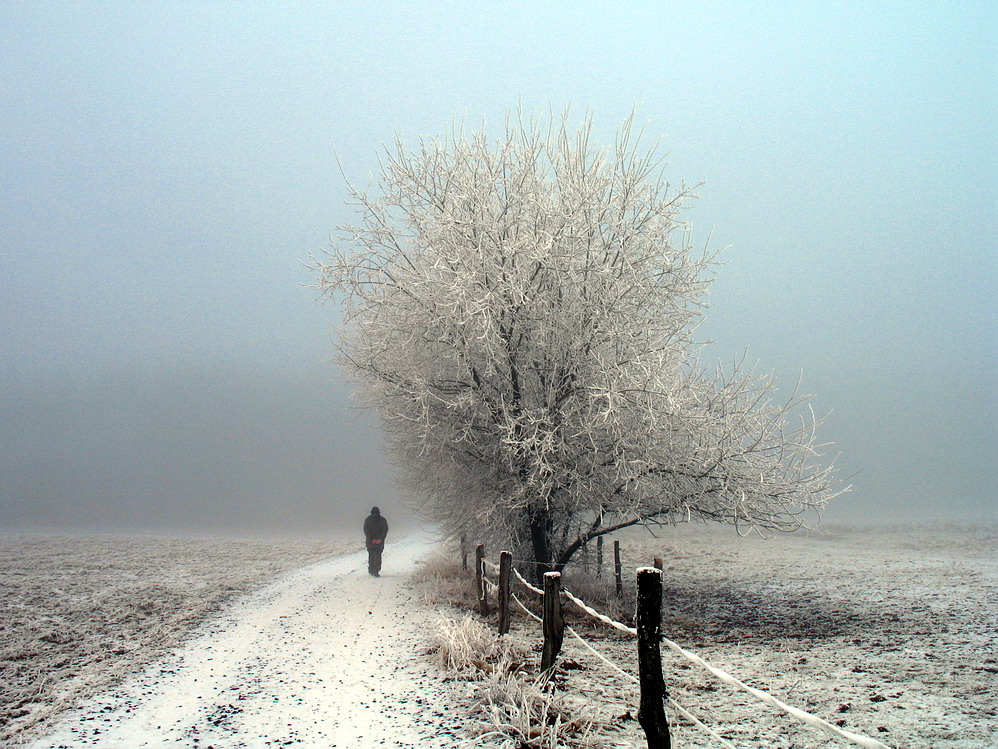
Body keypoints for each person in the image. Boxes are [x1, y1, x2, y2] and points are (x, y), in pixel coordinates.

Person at [363, 506, 389, 576]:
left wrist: (371, 539)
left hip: (370, 542)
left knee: (371, 556)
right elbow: (385, 531)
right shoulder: (383, 520)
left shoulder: (367, 520)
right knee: (377, 556)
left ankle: (371, 569)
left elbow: (366, 530)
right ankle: (376, 570)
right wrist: (380, 539)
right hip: (379, 542)